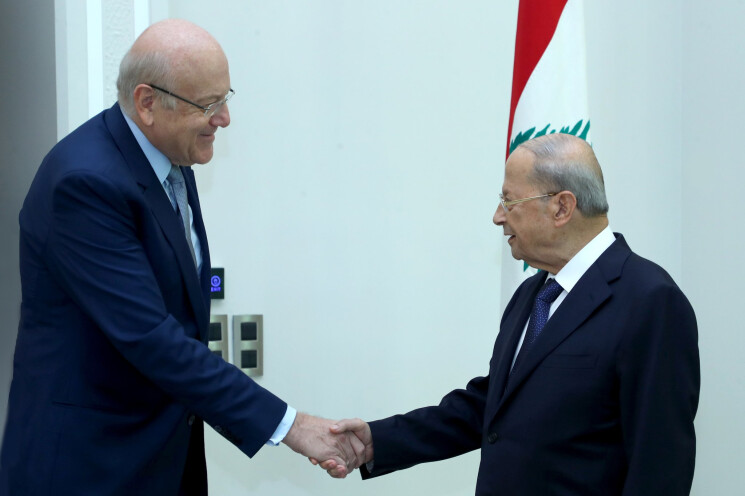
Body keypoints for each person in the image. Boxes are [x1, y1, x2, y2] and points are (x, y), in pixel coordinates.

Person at [0, 19, 363, 495]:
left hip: (161, 458)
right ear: (147, 103)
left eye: (225, 98)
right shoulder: (85, 183)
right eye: (208, 105)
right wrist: (290, 426)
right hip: (90, 466)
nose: (224, 119)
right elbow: (152, 338)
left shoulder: (171, 156)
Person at [318, 133, 700, 495]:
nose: (497, 217)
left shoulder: (650, 301)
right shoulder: (534, 293)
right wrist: (377, 441)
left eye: (509, 202)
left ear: (562, 207)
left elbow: (660, 466)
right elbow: (494, 408)